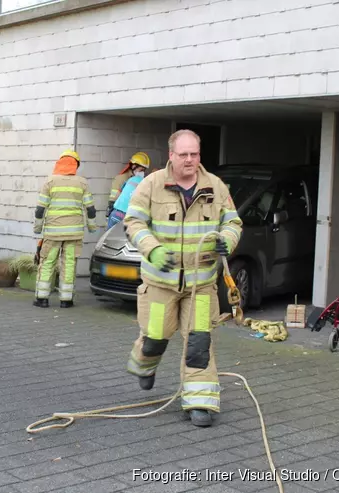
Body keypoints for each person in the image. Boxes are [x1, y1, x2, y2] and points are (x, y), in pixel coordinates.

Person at [123, 129, 242, 428]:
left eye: (195, 154)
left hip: (200, 286)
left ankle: (200, 402)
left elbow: (233, 221)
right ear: (171, 155)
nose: (190, 160)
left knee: (199, 341)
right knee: (155, 337)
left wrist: (228, 239)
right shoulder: (151, 185)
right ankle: (144, 366)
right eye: (184, 154)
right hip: (160, 284)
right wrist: (152, 249)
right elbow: (134, 221)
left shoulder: (216, 186)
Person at [33, 150, 97, 308]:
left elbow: (40, 209)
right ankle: (66, 300)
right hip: (74, 233)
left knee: (48, 262)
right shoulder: (82, 183)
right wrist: (92, 227)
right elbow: (90, 209)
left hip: (53, 233)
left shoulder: (50, 181)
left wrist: (37, 228)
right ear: (76, 165)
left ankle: (42, 298)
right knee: (69, 264)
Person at [107, 153, 150, 229]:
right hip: (118, 213)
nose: (142, 172)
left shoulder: (140, 180)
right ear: (133, 166)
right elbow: (113, 200)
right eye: (141, 169)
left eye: (144, 170)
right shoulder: (120, 179)